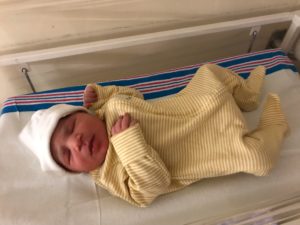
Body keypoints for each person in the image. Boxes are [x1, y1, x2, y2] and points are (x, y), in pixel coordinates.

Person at [19, 64, 289, 207]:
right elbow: (153, 187)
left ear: (83, 113)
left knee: (209, 72)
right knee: (259, 159)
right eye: (67, 154)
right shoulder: (109, 174)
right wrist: (128, 145)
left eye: (70, 128)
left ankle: (245, 96)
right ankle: (273, 129)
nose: (75, 142)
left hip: (194, 106)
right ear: (76, 171)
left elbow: (135, 96)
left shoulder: (106, 110)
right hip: (211, 147)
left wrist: (103, 94)